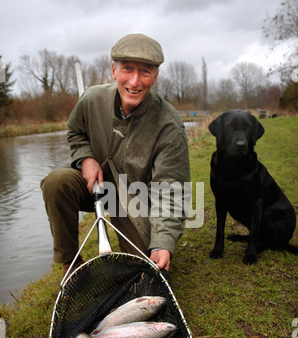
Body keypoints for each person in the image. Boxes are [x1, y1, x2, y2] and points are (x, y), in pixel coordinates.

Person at [41, 33, 190, 277]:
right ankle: (71, 263)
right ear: (113, 70)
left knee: (144, 270)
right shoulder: (91, 99)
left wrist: (163, 241)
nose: (134, 80)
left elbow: (172, 188)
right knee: (56, 183)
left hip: (134, 199)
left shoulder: (169, 125)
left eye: (144, 71)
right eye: (127, 69)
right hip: (95, 186)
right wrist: (85, 158)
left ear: (155, 76)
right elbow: (75, 132)